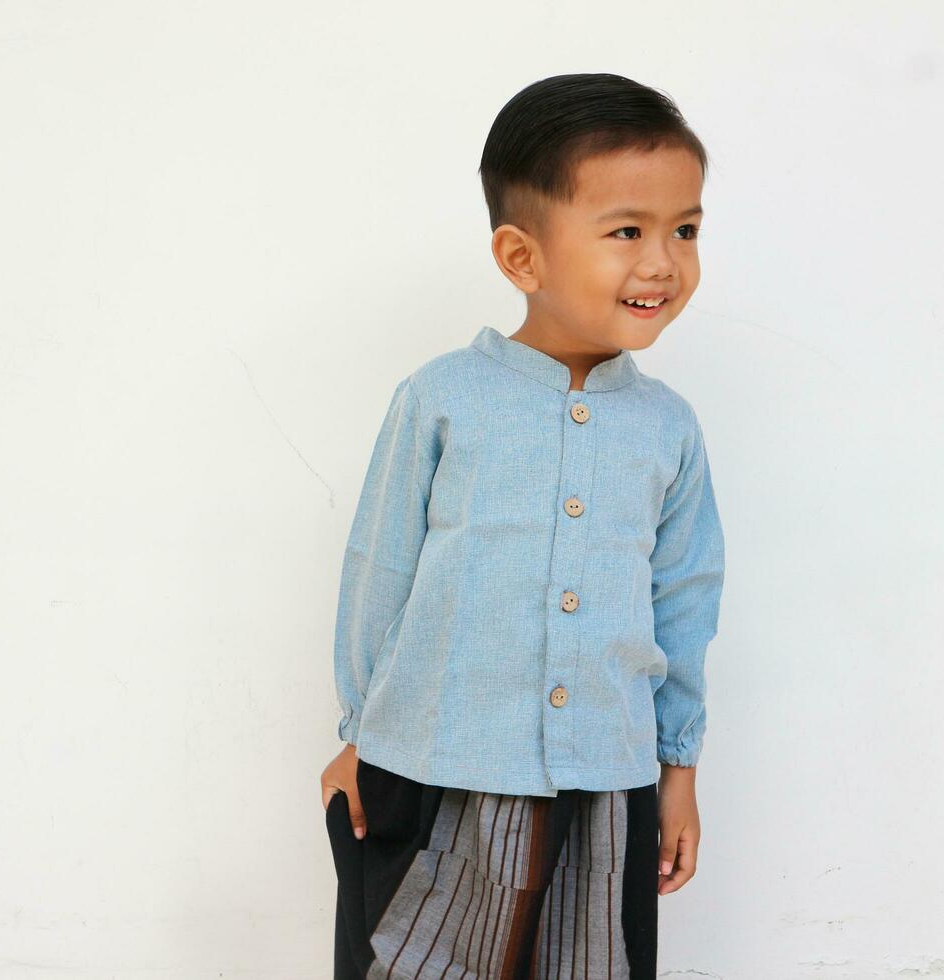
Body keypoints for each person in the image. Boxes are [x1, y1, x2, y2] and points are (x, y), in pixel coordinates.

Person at [321, 72, 726, 979]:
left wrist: (678, 769)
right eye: (628, 230)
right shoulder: (442, 398)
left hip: (604, 782)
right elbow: (378, 569)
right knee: (410, 960)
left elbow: (684, 603)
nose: (662, 262)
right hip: (435, 765)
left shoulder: (669, 429)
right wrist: (358, 728)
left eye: (686, 230)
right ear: (521, 255)